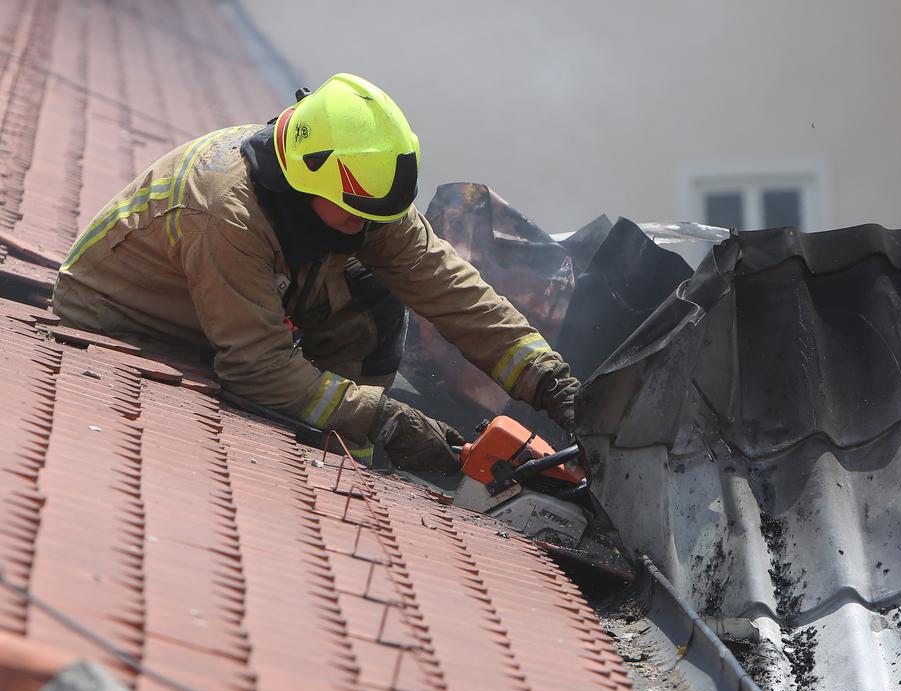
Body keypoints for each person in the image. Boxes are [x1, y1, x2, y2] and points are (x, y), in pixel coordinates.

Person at [53, 73, 578, 474]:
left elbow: (447, 286)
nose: (367, 228)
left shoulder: (355, 197)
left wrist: (551, 382)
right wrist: (387, 419)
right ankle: (352, 438)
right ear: (304, 179)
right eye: (356, 213)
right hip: (121, 328)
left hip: (214, 323)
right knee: (315, 362)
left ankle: (356, 460)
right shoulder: (225, 214)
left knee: (370, 292)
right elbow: (255, 368)